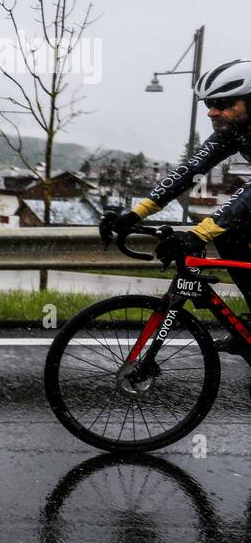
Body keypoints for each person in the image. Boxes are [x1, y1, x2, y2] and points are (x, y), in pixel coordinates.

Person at [102, 59, 251, 348]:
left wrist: (199, 233)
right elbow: (188, 171)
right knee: (230, 234)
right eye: (209, 102)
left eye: (222, 103)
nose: (211, 111)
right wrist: (135, 213)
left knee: (225, 228)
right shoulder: (234, 130)